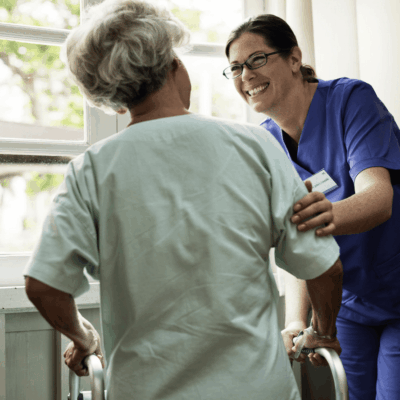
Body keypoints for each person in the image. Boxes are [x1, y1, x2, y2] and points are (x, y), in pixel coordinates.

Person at [23, 1, 343, 399]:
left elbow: (43, 285)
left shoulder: (91, 169)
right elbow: (324, 267)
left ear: (117, 100)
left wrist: (84, 336)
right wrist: (322, 333)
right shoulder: (255, 145)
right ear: (174, 65)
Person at [224, 14, 400, 400]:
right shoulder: (265, 144)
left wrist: (321, 218)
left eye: (257, 59)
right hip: (350, 301)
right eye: (235, 67)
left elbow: (378, 197)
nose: (245, 75)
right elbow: (296, 248)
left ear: (293, 58)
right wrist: (295, 321)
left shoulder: (351, 101)